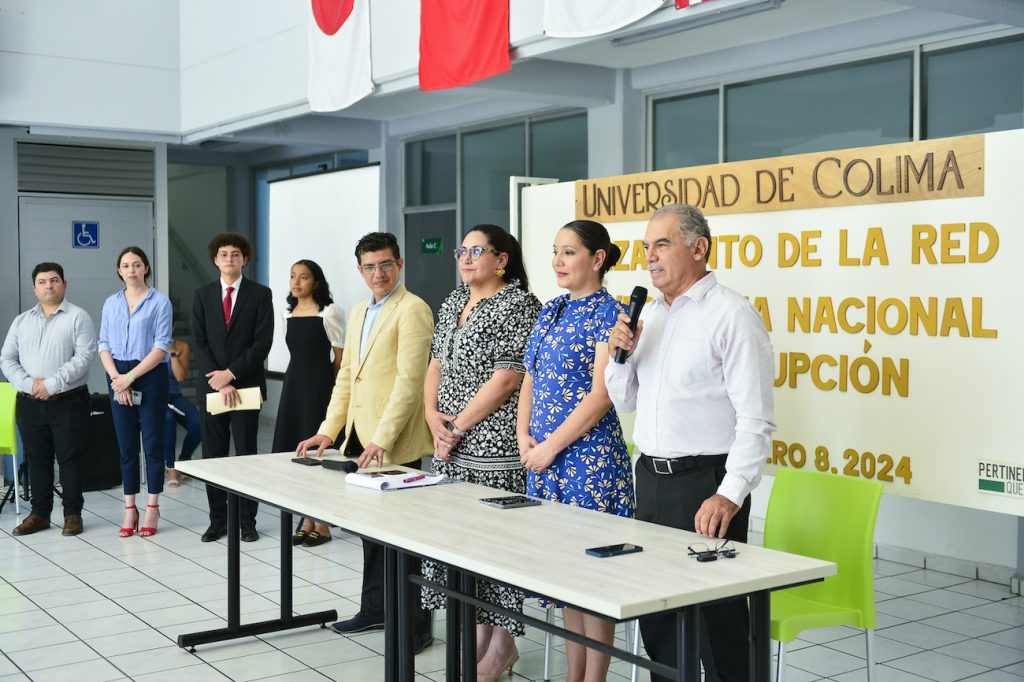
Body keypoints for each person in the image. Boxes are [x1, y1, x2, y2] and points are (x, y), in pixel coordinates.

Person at [605, 204, 776, 682]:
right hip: (651, 479)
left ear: (699, 248)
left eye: (662, 244)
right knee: (659, 620)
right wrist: (619, 357)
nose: (650, 257)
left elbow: (756, 419)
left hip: (706, 484)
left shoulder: (732, 315)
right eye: (646, 247)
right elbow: (627, 401)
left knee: (719, 626)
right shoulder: (648, 316)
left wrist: (729, 494)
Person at [295, 232, 435, 651]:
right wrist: (329, 429)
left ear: (400, 264)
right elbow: (346, 377)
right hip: (359, 439)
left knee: (405, 539)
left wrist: (382, 438)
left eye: (386, 264)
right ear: (360, 270)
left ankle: (416, 626)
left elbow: (410, 383)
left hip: (393, 443)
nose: (378, 273)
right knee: (371, 535)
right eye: (370, 266)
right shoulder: (358, 311)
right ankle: (375, 609)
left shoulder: (413, 309)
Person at [422, 224, 541, 682]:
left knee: (496, 550)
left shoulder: (519, 305)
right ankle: (477, 635)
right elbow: (435, 363)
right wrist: (432, 417)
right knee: (462, 545)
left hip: (494, 449)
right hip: (450, 447)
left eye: (477, 251)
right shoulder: (454, 300)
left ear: (502, 260)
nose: (466, 259)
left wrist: (456, 425)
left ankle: (503, 644)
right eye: (462, 252)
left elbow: (508, 378)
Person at [517, 219, 634, 682]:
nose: (557, 262)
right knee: (564, 576)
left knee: (592, 577)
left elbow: (602, 395)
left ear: (597, 258)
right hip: (544, 459)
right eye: (555, 251)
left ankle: (595, 678)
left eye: (568, 252)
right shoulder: (551, 309)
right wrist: (524, 435)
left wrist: (550, 446)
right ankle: (574, 676)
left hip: (589, 461)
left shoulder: (612, 313)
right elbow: (530, 377)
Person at [1, 262, 96, 537]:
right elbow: (7, 358)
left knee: (69, 458)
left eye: (54, 280)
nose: (48, 286)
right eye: (42, 282)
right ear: (34, 288)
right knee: (36, 459)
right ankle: (40, 514)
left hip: (69, 400)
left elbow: (84, 357)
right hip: (29, 401)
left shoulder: (78, 317)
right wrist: (30, 385)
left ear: (64, 284)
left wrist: (51, 384)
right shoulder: (21, 321)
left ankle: (72, 514)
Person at [192, 232, 274, 543]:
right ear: (215, 260)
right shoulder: (202, 295)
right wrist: (219, 379)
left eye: (236, 254)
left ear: (245, 259)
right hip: (212, 387)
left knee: (246, 455)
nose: (230, 259)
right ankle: (218, 520)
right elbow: (198, 342)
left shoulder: (260, 294)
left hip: (246, 386)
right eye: (224, 254)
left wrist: (231, 374)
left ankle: (247, 521)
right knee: (213, 456)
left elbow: (262, 342)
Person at [98, 246, 173, 538]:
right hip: (117, 374)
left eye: (137, 264)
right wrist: (117, 379)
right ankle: (130, 507)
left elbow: (161, 346)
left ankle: (152, 506)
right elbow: (103, 344)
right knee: (127, 445)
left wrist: (130, 377)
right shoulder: (110, 303)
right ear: (119, 270)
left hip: (150, 375)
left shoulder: (160, 302)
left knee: (152, 444)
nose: (131, 270)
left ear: (146, 268)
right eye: (126, 265)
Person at [274, 259, 345, 547]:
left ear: (315, 282)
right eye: (293, 276)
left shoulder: (330, 312)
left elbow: (340, 358)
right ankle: (306, 520)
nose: (296, 281)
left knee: (319, 455)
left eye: (303, 277)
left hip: (320, 387)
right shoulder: (287, 313)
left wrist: (333, 390)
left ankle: (323, 524)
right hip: (293, 385)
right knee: (297, 453)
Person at [163, 329, 201, 487]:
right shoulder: (146, 344)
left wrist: (172, 353)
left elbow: (180, 376)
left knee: (199, 423)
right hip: (155, 398)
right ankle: (170, 466)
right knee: (168, 418)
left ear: (173, 326)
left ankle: (184, 460)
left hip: (175, 396)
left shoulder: (182, 347)